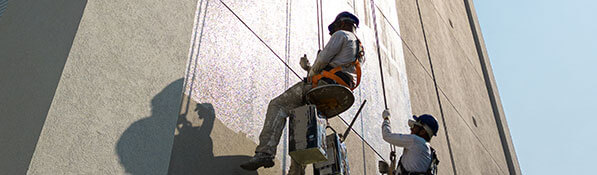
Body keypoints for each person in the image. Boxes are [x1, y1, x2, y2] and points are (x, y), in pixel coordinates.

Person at [240, 12, 364, 173]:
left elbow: (323, 60)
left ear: (341, 24)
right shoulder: (360, 50)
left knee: (278, 105)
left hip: (325, 86)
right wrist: (308, 68)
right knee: (303, 123)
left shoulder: (342, 35)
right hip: (339, 95)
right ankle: (296, 172)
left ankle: (265, 152)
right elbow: (338, 67)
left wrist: (310, 71)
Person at [381, 110, 440, 175]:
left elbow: (387, 136)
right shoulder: (427, 151)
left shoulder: (416, 141)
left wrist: (386, 119)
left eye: (415, 126)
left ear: (423, 131)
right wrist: (391, 170)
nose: (411, 129)